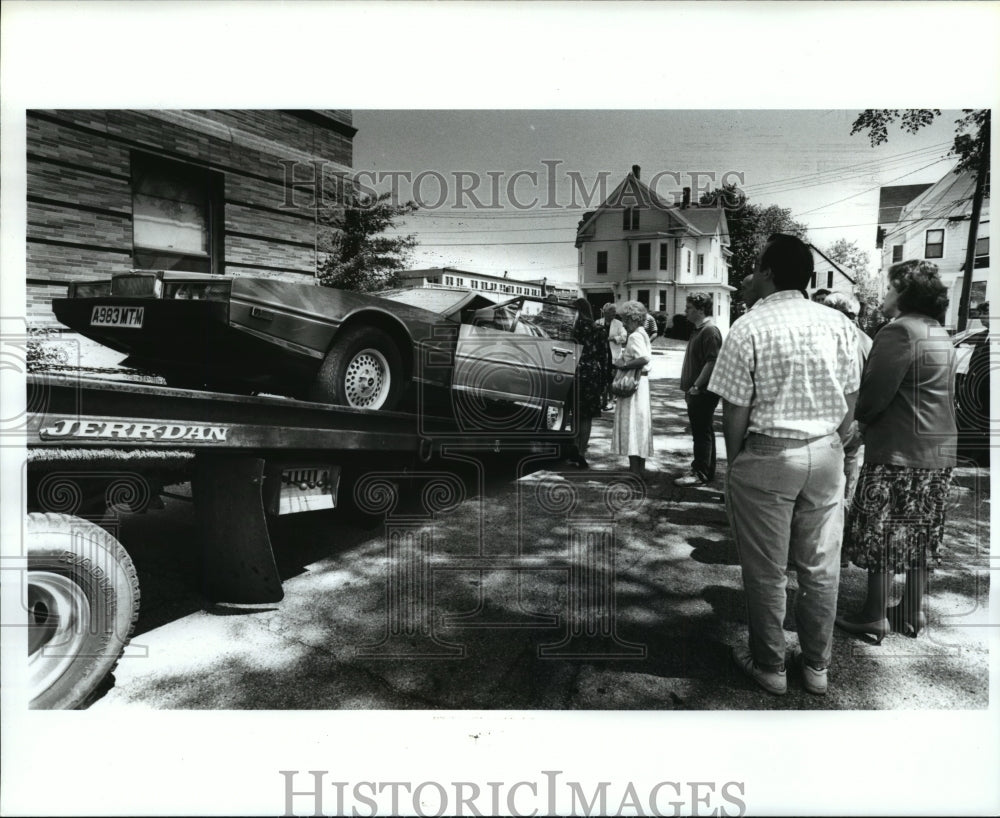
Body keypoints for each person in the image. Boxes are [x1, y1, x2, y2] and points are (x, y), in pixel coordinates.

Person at [709, 234, 860, 696]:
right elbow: (851, 396)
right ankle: (816, 667)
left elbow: (734, 408)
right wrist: (839, 435)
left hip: (769, 453)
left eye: (755, 266)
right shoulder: (838, 324)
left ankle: (771, 666)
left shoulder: (749, 326)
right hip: (825, 450)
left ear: (770, 271)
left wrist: (735, 463)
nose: (750, 274)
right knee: (819, 566)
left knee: (766, 569)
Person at [837, 261, 957, 642]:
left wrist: (857, 427)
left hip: (897, 451)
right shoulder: (940, 333)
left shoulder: (899, 331)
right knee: (922, 533)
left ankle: (874, 615)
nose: (883, 295)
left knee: (884, 531)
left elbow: (873, 396)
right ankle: (911, 610)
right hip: (938, 452)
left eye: (888, 288)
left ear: (904, 292)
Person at [821, 291, 874, 511]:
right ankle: (844, 514)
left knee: (825, 477)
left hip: (831, 420)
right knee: (849, 465)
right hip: (856, 419)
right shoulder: (867, 340)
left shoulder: (828, 337)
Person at [675, 292, 723, 487]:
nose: (685, 312)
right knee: (704, 430)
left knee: (701, 432)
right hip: (696, 391)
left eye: (689, 308)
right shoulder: (698, 329)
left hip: (702, 392)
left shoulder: (710, 331)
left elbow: (713, 362)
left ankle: (700, 472)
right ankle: (706, 470)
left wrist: (696, 386)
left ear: (701, 309)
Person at [610, 300, 654, 481]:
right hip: (641, 384)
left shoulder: (635, 336)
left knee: (631, 426)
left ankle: (634, 471)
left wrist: (624, 363)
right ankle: (639, 469)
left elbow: (644, 358)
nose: (625, 324)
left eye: (627, 320)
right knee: (640, 426)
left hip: (632, 387)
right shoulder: (643, 333)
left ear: (634, 319)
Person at [565, 298, 607, 469]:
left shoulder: (570, 328)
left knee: (574, 412)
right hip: (590, 373)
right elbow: (604, 357)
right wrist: (605, 381)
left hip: (572, 370)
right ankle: (582, 452)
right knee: (586, 416)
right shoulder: (598, 328)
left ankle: (574, 445)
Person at [597, 302, 627, 409]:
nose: (614, 314)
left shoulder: (618, 324)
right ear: (605, 312)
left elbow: (624, 337)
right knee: (602, 378)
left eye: (614, 311)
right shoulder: (598, 322)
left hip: (612, 354)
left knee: (611, 378)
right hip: (601, 354)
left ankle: (610, 400)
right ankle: (603, 400)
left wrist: (614, 338)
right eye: (611, 311)